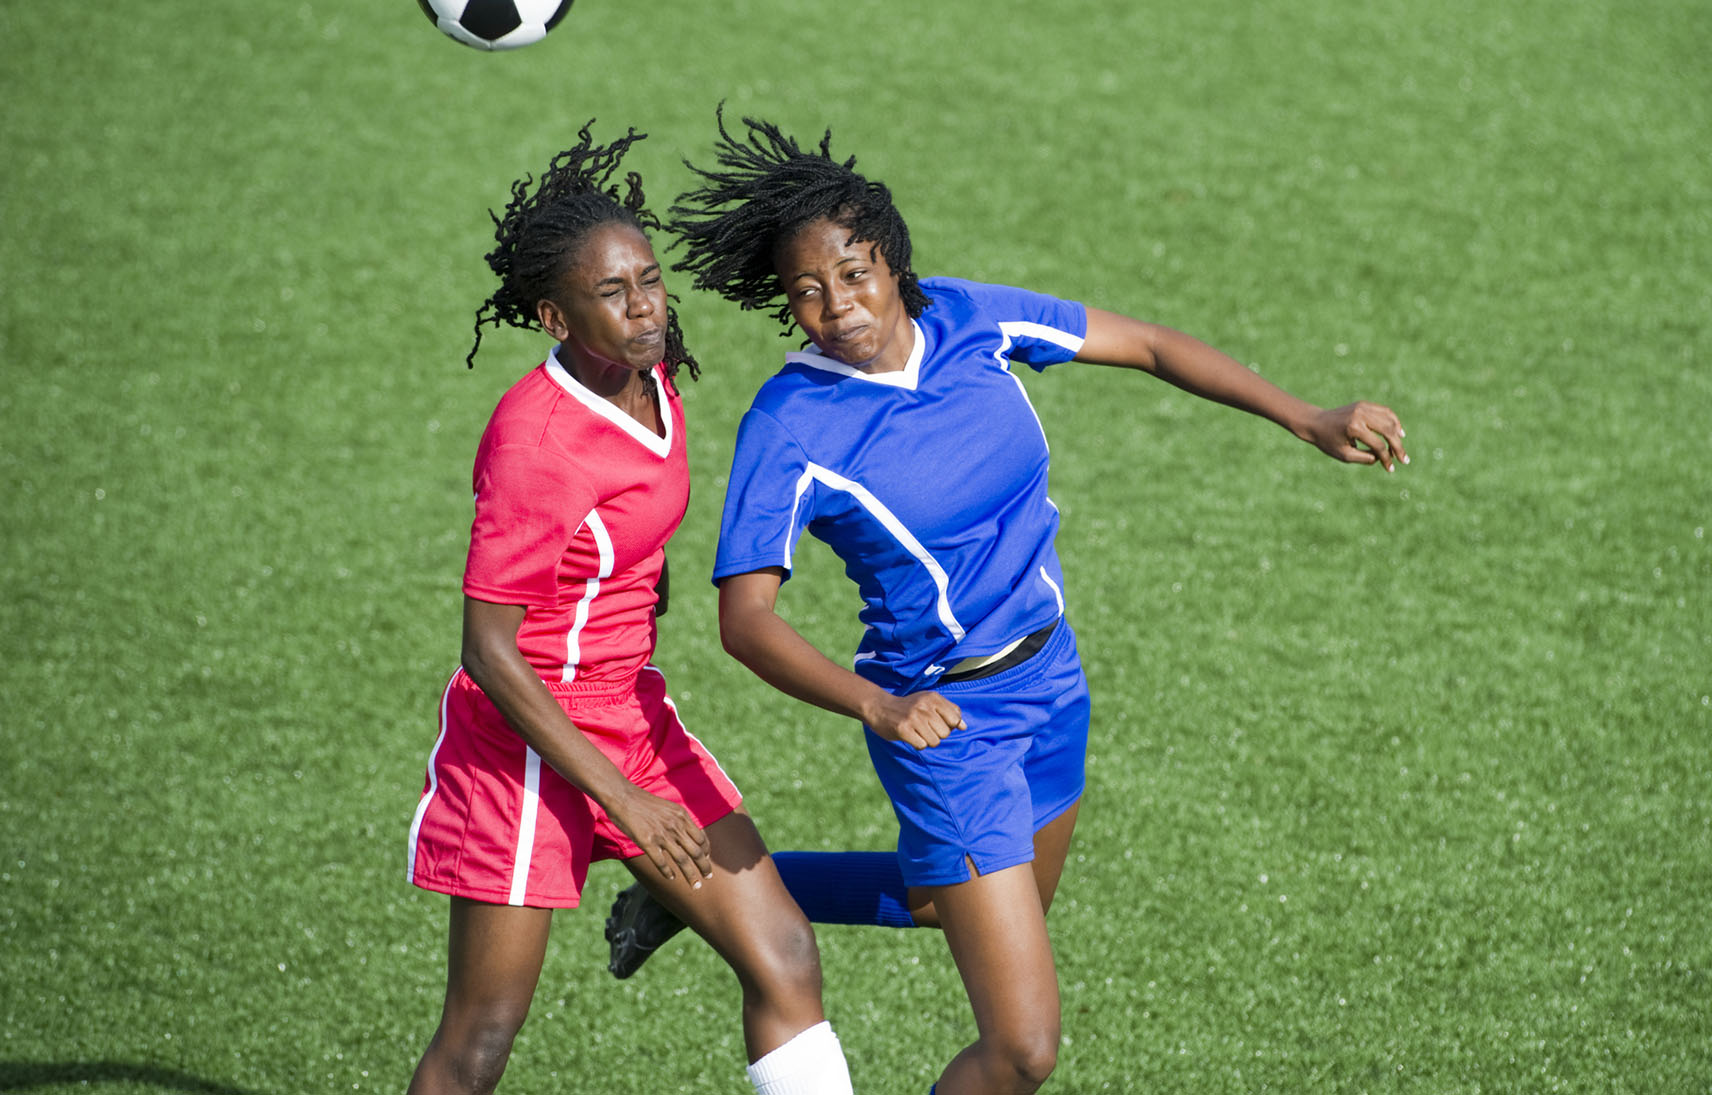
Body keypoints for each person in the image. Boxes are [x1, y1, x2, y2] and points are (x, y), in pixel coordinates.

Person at [604, 112, 1407, 1095]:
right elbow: (745, 620)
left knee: (945, 903)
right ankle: (702, 895)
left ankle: (692, 896)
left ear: (893, 265)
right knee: (1021, 1050)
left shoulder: (968, 319)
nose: (838, 307)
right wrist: (877, 705)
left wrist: (1305, 415)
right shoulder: (791, 422)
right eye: (807, 291)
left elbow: (1148, 344)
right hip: (944, 726)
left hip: (1052, 683)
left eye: (854, 274)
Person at [405, 123, 853, 1095]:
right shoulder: (537, 442)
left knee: (783, 955)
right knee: (480, 1038)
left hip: (627, 715)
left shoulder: (650, 376)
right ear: (554, 318)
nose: (645, 308)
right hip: (525, 746)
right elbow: (487, 649)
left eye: (647, 280)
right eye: (612, 295)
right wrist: (622, 800)